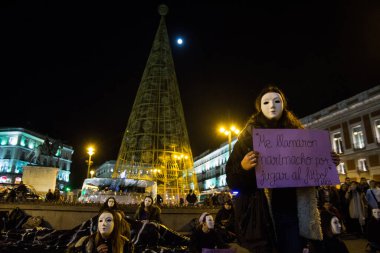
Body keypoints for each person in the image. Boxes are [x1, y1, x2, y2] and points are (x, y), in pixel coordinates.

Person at [226, 85, 341, 253]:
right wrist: (243, 168)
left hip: (292, 214)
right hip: (261, 217)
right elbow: (232, 181)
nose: (272, 105)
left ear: (283, 105)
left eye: (276, 101)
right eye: (266, 102)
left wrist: (326, 163)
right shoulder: (246, 139)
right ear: (259, 107)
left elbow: (309, 175)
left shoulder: (300, 137)